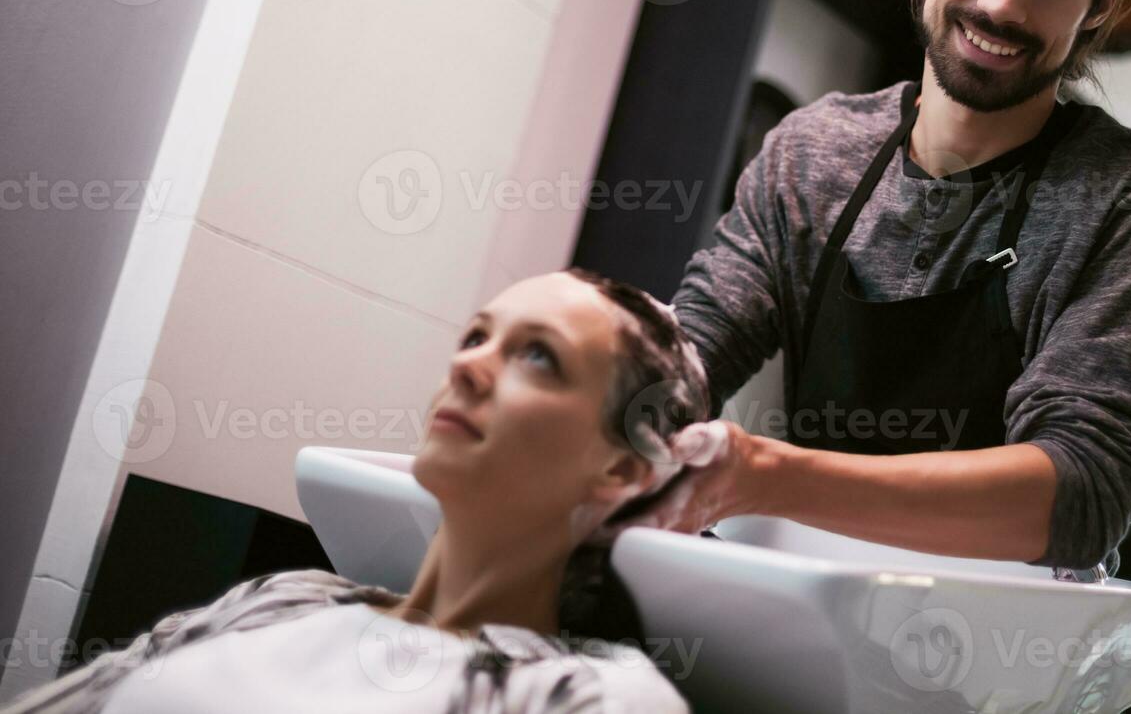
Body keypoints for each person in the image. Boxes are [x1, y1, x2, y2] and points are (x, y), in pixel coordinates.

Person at [607, 0, 1131, 578]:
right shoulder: (813, 154)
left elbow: (1079, 495)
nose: (1001, 4)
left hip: (999, 652)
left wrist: (765, 475)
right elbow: (689, 355)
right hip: (805, 589)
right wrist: (592, 397)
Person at [2, 269, 709, 714]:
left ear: (622, 468)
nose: (467, 365)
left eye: (537, 356)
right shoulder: (283, 599)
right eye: (475, 336)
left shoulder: (585, 697)